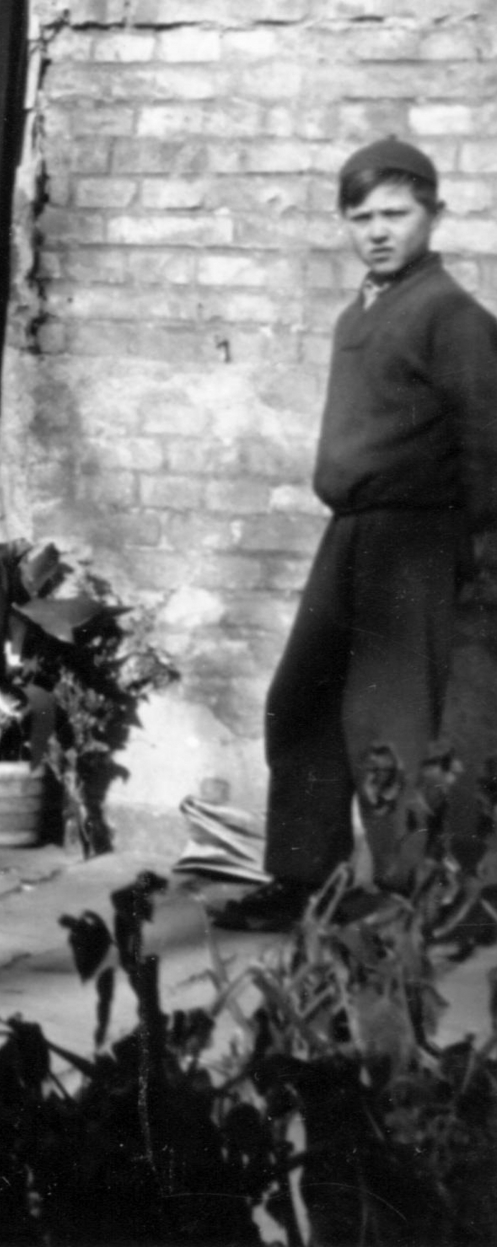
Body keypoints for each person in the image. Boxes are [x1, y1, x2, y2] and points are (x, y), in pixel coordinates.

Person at [213, 137, 497, 932]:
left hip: (417, 545)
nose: (378, 230)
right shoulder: (359, 312)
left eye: (397, 214)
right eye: (361, 216)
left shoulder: (455, 318)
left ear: (434, 216)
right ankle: (306, 879)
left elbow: (487, 448)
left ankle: (422, 899)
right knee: (300, 700)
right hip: (351, 539)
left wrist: (479, 568)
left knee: (393, 723)